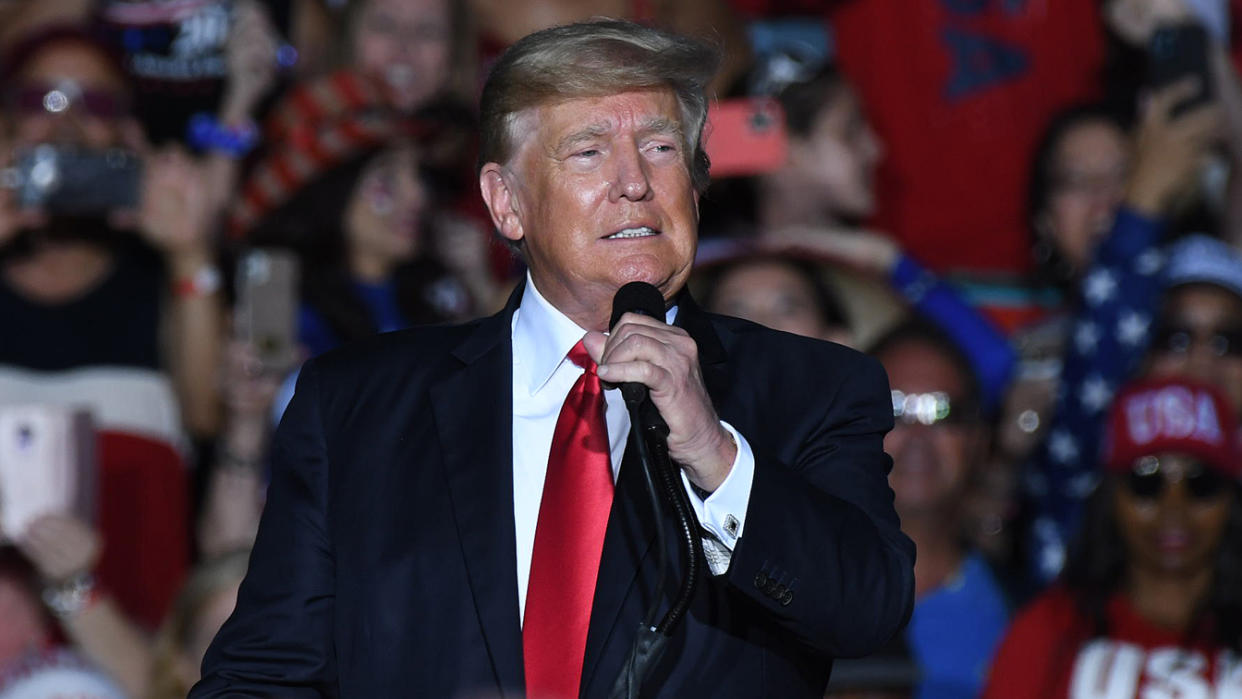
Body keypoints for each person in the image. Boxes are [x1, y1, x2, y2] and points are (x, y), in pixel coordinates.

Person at [192, 19, 914, 698]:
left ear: (695, 186)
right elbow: (261, 674)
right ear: (506, 204)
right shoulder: (358, 405)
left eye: (662, 148)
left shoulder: (815, 388)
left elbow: (866, 610)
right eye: (590, 151)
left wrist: (714, 451)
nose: (635, 181)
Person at [983, 376, 1242, 697]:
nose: (1174, 509)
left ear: (1232, 499)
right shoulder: (1049, 631)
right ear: (1110, 497)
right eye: (1146, 483)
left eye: (1201, 484)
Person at [871, 321, 1010, 699]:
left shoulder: (1029, 609)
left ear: (980, 441)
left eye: (942, 412)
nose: (918, 438)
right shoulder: (784, 590)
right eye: (895, 411)